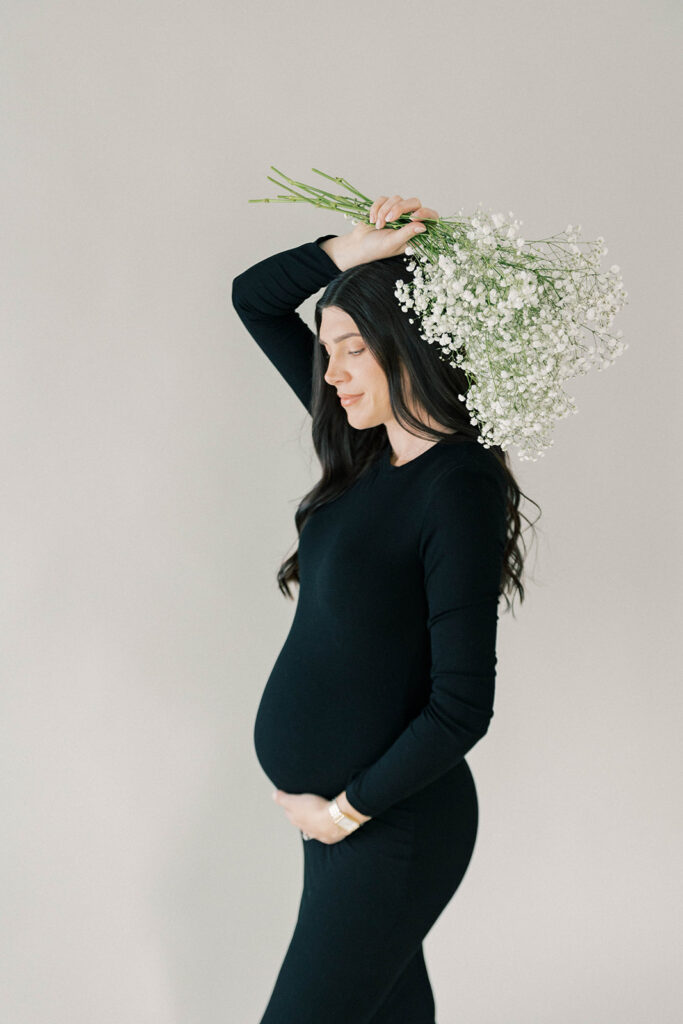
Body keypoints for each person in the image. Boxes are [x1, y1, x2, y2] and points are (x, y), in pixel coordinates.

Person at [231, 193, 532, 1023]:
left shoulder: (456, 485)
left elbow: (462, 705)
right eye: (326, 353)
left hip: (389, 825)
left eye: (352, 350)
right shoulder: (360, 453)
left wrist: (343, 811)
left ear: (406, 342)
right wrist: (350, 249)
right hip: (342, 831)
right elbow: (252, 297)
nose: (330, 376)